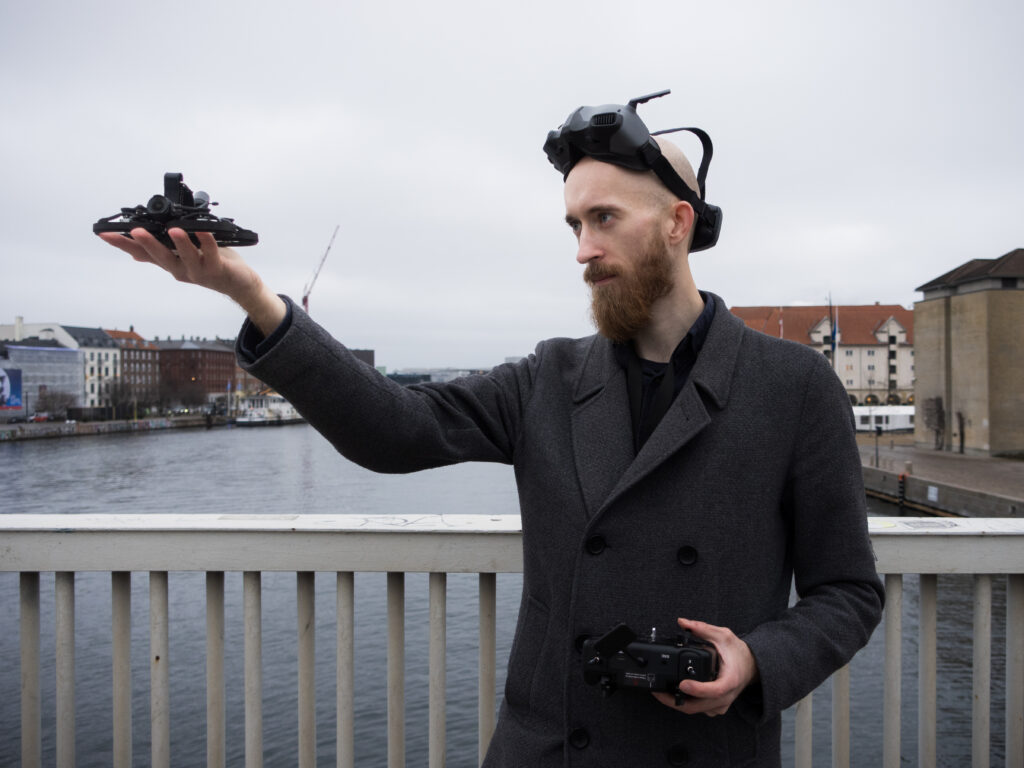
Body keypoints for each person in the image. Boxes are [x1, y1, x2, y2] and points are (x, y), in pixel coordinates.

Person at [99, 94, 883, 767]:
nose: (583, 250)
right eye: (575, 223)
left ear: (678, 222)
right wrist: (250, 294)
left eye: (604, 219)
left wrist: (756, 661)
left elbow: (847, 592)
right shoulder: (548, 377)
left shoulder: (793, 388)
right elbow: (395, 430)